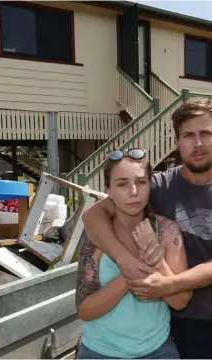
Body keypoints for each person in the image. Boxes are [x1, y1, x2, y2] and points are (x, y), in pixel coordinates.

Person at [83, 98, 212, 359]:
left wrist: (167, 285)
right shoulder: (155, 186)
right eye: (188, 135)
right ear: (178, 142)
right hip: (182, 316)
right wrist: (125, 261)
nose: (198, 143)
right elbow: (93, 216)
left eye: (206, 133)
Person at [75, 149, 192, 359]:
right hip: (100, 350)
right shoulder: (98, 235)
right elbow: (85, 310)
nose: (134, 192)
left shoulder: (168, 231)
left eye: (141, 182)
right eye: (122, 184)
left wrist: (156, 258)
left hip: (156, 349)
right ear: (108, 190)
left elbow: (180, 301)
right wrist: (130, 273)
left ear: (150, 185)